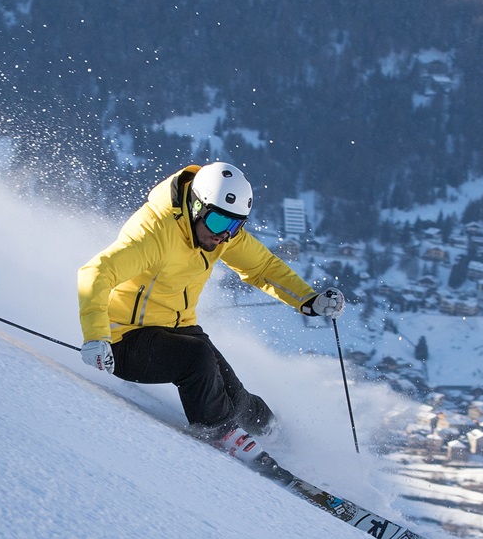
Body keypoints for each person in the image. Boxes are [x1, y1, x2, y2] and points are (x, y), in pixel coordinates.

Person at [76, 161, 344, 465]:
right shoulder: (154, 233)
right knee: (197, 360)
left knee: (237, 397)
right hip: (123, 342)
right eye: (219, 224)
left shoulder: (217, 232)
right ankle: (219, 432)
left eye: (235, 226)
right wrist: (96, 337)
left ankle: (279, 438)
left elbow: (263, 267)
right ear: (196, 206)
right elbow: (96, 272)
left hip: (177, 332)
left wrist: (309, 299)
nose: (224, 236)